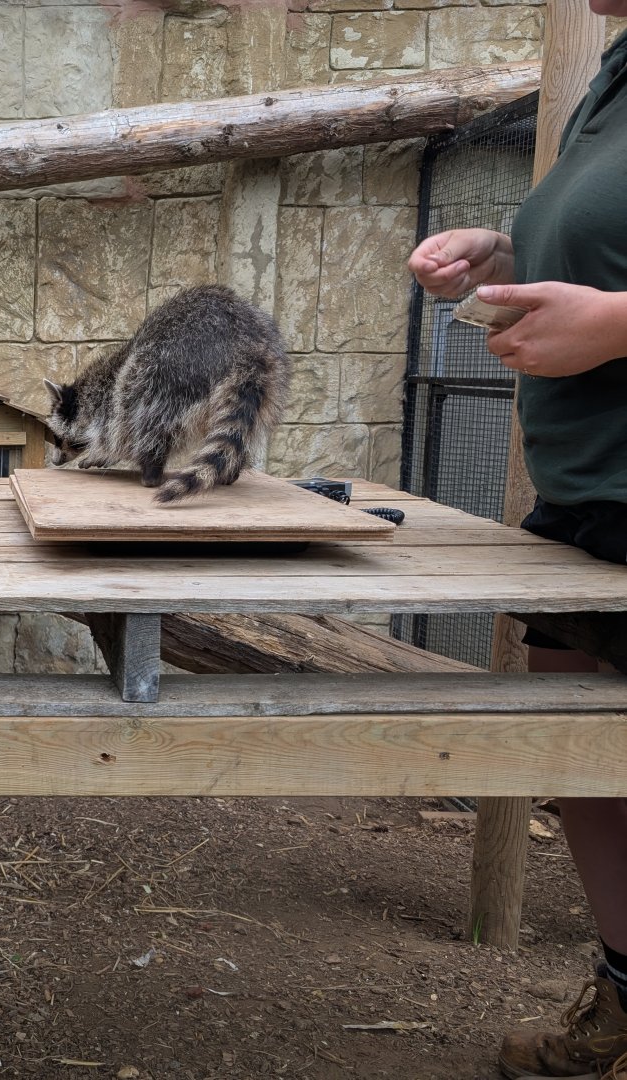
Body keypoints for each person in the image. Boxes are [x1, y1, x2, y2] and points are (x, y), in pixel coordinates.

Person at [408, 6, 627, 1077]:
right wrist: (503, 253)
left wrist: (617, 325)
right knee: (578, 736)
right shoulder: (619, 66)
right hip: (592, 498)